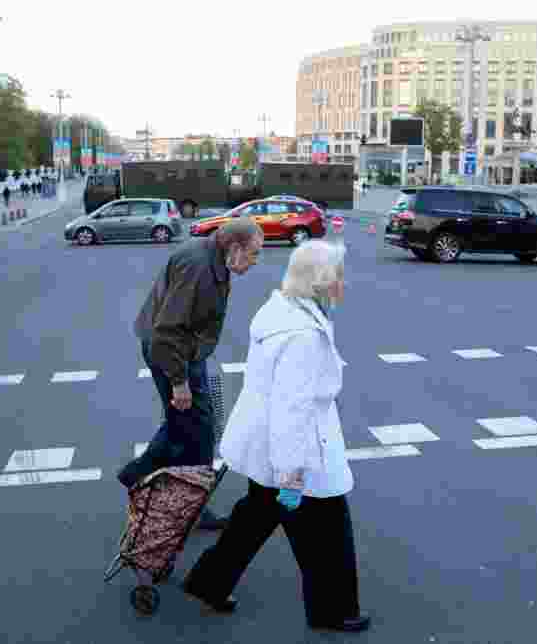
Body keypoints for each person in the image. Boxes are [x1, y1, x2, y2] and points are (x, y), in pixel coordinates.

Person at [181, 240, 370, 633]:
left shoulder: (280, 309)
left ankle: (208, 583)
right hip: (294, 449)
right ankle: (334, 612)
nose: (344, 283)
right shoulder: (303, 336)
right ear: (319, 282)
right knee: (328, 532)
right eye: (338, 275)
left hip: (263, 441)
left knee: (255, 517)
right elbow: (292, 409)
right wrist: (291, 473)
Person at [117, 217, 265, 531]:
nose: (256, 261)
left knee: (188, 426)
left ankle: (157, 484)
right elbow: (167, 330)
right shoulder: (199, 268)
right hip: (172, 353)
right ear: (234, 247)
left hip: (182, 351)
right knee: (196, 431)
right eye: (254, 253)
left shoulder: (210, 256)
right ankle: (166, 489)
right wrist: (179, 381)